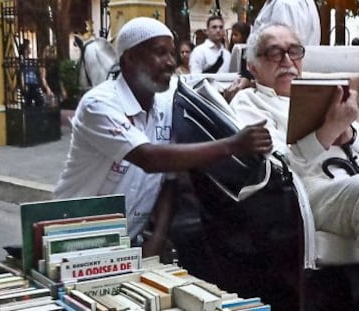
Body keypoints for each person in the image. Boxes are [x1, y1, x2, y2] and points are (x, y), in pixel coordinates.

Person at [54, 17, 272, 257]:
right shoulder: (99, 104)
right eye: (160, 52)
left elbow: (168, 178)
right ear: (129, 59)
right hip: (74, 238)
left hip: (127, 244)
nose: (171, 62)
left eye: (172, 53)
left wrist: (157, 240)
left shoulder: (166, 101)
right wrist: (232, 145)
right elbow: (150, 158)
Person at [230, 21, 359, 250]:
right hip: (308, 191)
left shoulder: (325, 91)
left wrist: (349, 135)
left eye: (294, 51)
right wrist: (327, 131)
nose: (287, 61)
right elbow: (280, 168)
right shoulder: (250, 102)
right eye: (274, 53)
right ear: (253, 66)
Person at [224, 0, 321, 101]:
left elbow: (281, 45)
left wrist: (250, 77)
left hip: (279, 91)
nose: (287, 60)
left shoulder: (285, 4)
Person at [19, 39, 45, 107]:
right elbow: (22, 73)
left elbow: (37, 72)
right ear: (25, 50)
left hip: (34, 83)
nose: (30, 49)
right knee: (28, 103)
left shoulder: (32, 61)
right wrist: (23, 84)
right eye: (28, 48)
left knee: (39, 101)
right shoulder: (22, 62)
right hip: (28, 84)